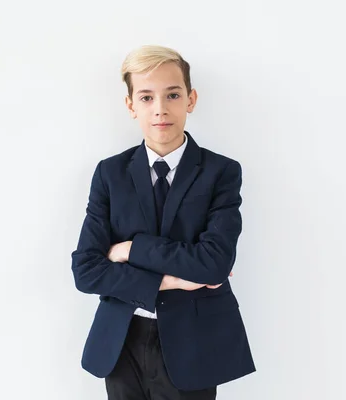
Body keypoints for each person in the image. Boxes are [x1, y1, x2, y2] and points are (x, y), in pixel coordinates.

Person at [71, 44, 256, 400]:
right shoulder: (110, 173)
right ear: (130, 105)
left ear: (191, 99)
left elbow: (214, 264)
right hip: (122, 340)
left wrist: (130, 249)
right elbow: (86, 270)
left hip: (194, 343)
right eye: (146, 97)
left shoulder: (221, 172)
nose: (160, 109)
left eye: (172, 94)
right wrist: (172, 280)